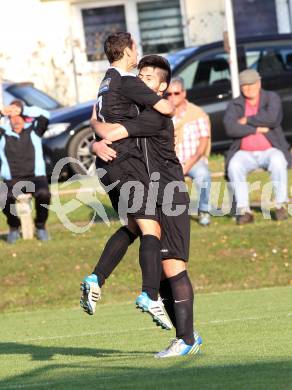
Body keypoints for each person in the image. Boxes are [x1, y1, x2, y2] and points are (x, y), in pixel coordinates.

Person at [91, 54, 202, 358]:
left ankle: (188, 340)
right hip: (150, 193)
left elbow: (109, 130)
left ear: (163, 86)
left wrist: (95, 139)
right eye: (140, 75)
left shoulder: (155, 116)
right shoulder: (135, 110)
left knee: (173, 266)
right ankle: (185, 336)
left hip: (170, 194)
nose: (141, 80)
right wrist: (95, 142)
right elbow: (102, 125)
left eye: (149, 77)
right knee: (162, 266)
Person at [80, 32, 174, 331]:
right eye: (136, 49)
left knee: (134, 225)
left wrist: (100, 138)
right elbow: (167, 108)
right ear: (128, 51)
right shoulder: (128, 81)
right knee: (152, 228)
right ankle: (149, 294)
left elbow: (97, 119)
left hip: (107, 165)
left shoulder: (106, 81)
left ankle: (96, 278)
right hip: (126, 164)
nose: (138, 55)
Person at [224, 69, 291, 225]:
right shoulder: (235, 104)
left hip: (270, 149)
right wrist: (256, 129)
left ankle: (281, 205)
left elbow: (272, 119)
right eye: (245, 85)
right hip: (244, 152)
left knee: (278, 160)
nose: (248, 88)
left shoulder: (271, 98)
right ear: (241, 87)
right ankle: (245, 211)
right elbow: (230, 128)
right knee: (234, 165)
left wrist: (246, 120)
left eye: (252, 84)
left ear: (259, 83)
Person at [0, 101, 51, 243]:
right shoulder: (3, 132)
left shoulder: (34, 130)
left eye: (19, 115)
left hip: (36, 178)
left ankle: (40, 226)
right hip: (12, 180)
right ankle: (14, 226)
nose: (16, 119)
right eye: (12, 116)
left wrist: (22, 109)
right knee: (3, 196)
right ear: (8, 118)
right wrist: (1, 112)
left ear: (25, 117)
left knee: (44, 194)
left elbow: (45, 115)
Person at [167, 77, 212, 226]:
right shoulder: (164, 115)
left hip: (194, 160)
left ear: (184, 93)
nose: (172, 97)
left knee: (203, 175)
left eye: (176, 93)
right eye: (169, 94)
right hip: (171, 161)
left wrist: (188, 164)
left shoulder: (197, 113)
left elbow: (203, 143)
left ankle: (204, 210)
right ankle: (168, 215)